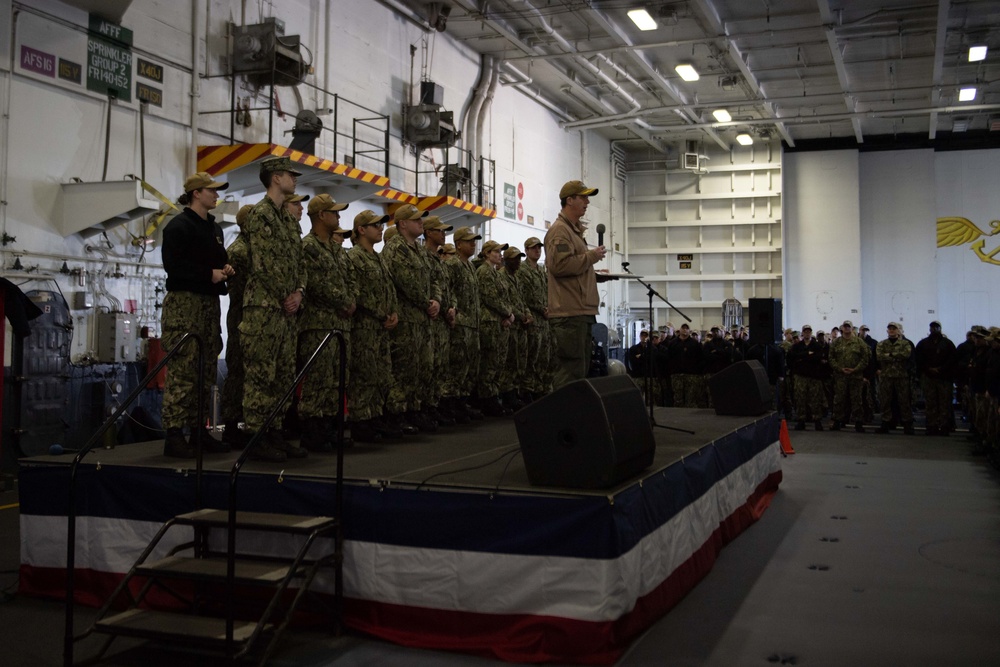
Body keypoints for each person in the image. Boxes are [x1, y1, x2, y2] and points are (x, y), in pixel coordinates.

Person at [240, 156, 310, 462]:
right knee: (261, 374)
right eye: (289, 174)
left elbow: (299, 263)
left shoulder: (286, 218)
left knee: (283, 374)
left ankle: (275, 432)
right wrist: (287, 294)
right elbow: (264, 263)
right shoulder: (262, 215)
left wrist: (299, 292)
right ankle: (257, 436)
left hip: (286, 309)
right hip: (265, 308)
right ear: (275, 177)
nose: (294, 178)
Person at [160, 172, 234, 458]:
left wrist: (225, 269)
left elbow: (218, 260)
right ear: (196, 194)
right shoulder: (178, 227)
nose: (216, 195)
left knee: (206, 369)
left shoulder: (213, 229)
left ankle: (199, 431)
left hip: (208, 304)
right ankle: (175, 434)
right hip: (185, 305)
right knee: (184, 370)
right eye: (211, 191)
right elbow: (174, 267)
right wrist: (208, 274)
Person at [297, 194, 357, 452]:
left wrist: (351, 299)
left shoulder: (336, 249)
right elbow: (316, 284)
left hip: (340, 325)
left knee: (336, 379)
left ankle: (331, 428)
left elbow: (351, 278)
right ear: (321, 215)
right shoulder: (308, 246)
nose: (339, 216)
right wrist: (344, 301)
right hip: (318, 324)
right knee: (318, 380)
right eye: (334, 212)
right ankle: (313, 433)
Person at [346, 210, 406, 442]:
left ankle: (375, 416)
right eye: (375, 226)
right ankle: (361, 421)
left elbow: (390, 290)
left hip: (381, 327)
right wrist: (383, 313)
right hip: (365, 326)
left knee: (382, 373)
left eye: (381, 226)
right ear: (361, 230)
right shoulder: (355, 257)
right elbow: (359, 293)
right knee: (364, 374)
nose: (380, 229)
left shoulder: (378, 257)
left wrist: (394, 313)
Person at [544, 180, 608, 389]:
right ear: (569, 200)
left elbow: (572, 267)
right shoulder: (560, 231)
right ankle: (562, 419)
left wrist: (593, 273)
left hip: (578, 310)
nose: (587, 202)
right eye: (583, 197)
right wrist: (591, 257)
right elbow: (560, 267)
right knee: (570, 371)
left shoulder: (572, 231)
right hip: (569, 313)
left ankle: (569, 418)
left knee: (578, 369)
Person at [382, 204, 440, 432]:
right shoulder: (395, 249)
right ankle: (397, 414)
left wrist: (437, 300)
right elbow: (407, 283)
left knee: (420, 367)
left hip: (422, 319)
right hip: (406, 320)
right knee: (404, 368)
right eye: (416, 219)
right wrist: (428, 303)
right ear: (402, 224)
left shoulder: (419, 250)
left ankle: (414, 410)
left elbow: (435, 277)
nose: (421, 222)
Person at [442, 227, 484, 421]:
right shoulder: (453, 265)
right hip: (460, 324)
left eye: (474, 240)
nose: (473, 244)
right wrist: (454, 311)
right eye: (469, 241)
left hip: (472, 324)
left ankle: (461, 402)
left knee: (469, 366)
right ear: (458, 244)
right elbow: (447, 290)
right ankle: (450, 404)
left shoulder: (468, 267)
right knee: (457, 365)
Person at [220, 204, 253, 449]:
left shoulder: (257, 250)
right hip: (242, 318)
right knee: (238, 372)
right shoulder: (239, 251)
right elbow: (240, 292)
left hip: (256, 319)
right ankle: (231, 425)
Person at [421, 216, 457, 426]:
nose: (443, 234)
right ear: (428, 233)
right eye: (439, 230)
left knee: (440, 366)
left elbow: (446, 289)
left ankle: (434, 405)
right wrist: (439, 306)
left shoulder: (439, 262)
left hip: (442, 319)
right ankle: (425, 407)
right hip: (431, 320)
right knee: (428, 366)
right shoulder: (424, 257)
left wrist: (451, 308)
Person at [476, 239, 515, 416]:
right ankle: (486, 399)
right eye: (496, 251)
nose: (500, 255)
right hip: (489, 322)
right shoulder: (484, 272)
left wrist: (507, 315)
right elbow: (490, 298)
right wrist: (507, 313)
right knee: (490, 361)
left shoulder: (495, 273)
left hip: (498, 321)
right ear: (486, 253)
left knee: (498, 361)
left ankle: (493, 396)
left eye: (500, 252)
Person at [516, 236, 551, 400]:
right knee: (531, 356)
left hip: (544, 320)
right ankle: (527, 389)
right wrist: (541, 308)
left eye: (539, 247)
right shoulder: (523, 270)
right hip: (533, 318)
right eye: (534, 248)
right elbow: (526, 295)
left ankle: (540, 387)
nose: (537, 250)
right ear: (527, 250)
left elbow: (546, 292)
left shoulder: (541, 270)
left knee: (544, 356)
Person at [914, 321, 957, 435]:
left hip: (944, 378)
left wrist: (941, 369)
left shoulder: (948, 344)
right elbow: (919, 359)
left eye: (936, 328)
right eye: (932, 328)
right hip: (928, 377)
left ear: (940, 329)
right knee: (930, 403)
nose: (934, 330)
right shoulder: (923, 343)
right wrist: (928, 369)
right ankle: (931, 426)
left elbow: (952, 360)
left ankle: (944, 426)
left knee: (944, 403)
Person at [829, 320, 870, 433]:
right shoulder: (836, 342)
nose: (847, 329)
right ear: (842, 328)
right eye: (845, 327)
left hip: (855, 376)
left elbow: (865, 358)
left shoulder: (859, 342)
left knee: (857, 399)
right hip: (840, 376)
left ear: (852, 329)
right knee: (839, 399)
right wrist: (839, 368)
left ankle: (858, 422)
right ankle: (837, 421)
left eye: (849, 327)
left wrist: (855, 369)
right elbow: (831, 358)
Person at [875, 322, 914, 434]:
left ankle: (907, 424)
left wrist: (889, 355)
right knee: (886, 400)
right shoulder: (881, 344)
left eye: (894, 329)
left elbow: (906, 355)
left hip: (901, 376)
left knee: (904, 400)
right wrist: (895, 356)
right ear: (887, 331)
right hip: (886, 376)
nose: (891, 330)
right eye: (890, 329)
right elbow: (879, 356)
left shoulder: (905, 343)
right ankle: (885, 423)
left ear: (898, 330)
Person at [786, 324, 827, 430]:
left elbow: (818, 358)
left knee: (815, 399)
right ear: (802, 333)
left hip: (814, 376)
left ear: (811, 333)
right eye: (805, 331)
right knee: (800, 399)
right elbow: (792, 358)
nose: (807, 333)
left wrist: (803, 357)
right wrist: (808, 355)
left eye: (809, 331)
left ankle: (817, 420)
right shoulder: (796, 346)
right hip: (800, 376)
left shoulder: (817, 346)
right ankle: (801, 420)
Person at [666, 323, 705, 407]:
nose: (684, 330)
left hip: (691, 375)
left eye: (686, 328)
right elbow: (669, 358)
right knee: (677, 399)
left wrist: (697, 372)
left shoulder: (695, 344)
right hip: (677, 375)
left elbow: (700, 358)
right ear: (679, 330)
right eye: (683, 328)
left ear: (689, 331)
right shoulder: (673, 343)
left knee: (691, 399)